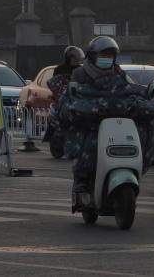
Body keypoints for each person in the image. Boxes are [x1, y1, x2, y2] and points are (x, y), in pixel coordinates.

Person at [63, 35, 132, 195]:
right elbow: (72, 98)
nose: (107, 58)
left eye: (110, 55)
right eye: (103, 55)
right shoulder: (80, 74)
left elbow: (131, 89)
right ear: (93, 56)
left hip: (116, 124)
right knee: (87, 148)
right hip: (91, 124)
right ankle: (81, 182)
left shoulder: (119, 73)